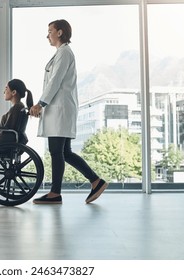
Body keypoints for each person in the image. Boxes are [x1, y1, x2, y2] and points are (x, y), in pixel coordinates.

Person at [29, 19, 108, 204]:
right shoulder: (61, 53)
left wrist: (40, 103)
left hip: (61, 109)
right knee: (64, 151)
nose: (47, 35)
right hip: (60, 108)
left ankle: (55, 193)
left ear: (60, 32)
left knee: (57, 151)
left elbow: (55, 81)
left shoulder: (64, 53)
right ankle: (96, 181)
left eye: (50, 31)